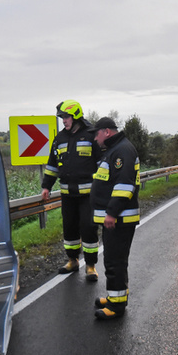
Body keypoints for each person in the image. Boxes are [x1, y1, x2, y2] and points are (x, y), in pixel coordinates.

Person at [41, 99, 102, 281]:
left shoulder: (92, 136)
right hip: (67, 195)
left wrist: (104, 189)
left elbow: (102, 165)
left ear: (75, 116)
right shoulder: (59, 138)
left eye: (66, 117)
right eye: (62, 118)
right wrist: (46, 186)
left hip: (88, 196)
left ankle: (90, 266)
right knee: (69, 228)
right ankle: (72, 261)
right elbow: (52, 165)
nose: (63, 121)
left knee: (88, 228)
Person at [89, 117, 140, 320]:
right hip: (117, 218)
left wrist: (111, 212)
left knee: (114, 261)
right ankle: (116, 297)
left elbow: (125, 185)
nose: (95, 138)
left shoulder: (121, 151)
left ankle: (116, 306)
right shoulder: (114, 149)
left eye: (97, 133)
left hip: (119, 219)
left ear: (107, 132)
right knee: (116, 260)